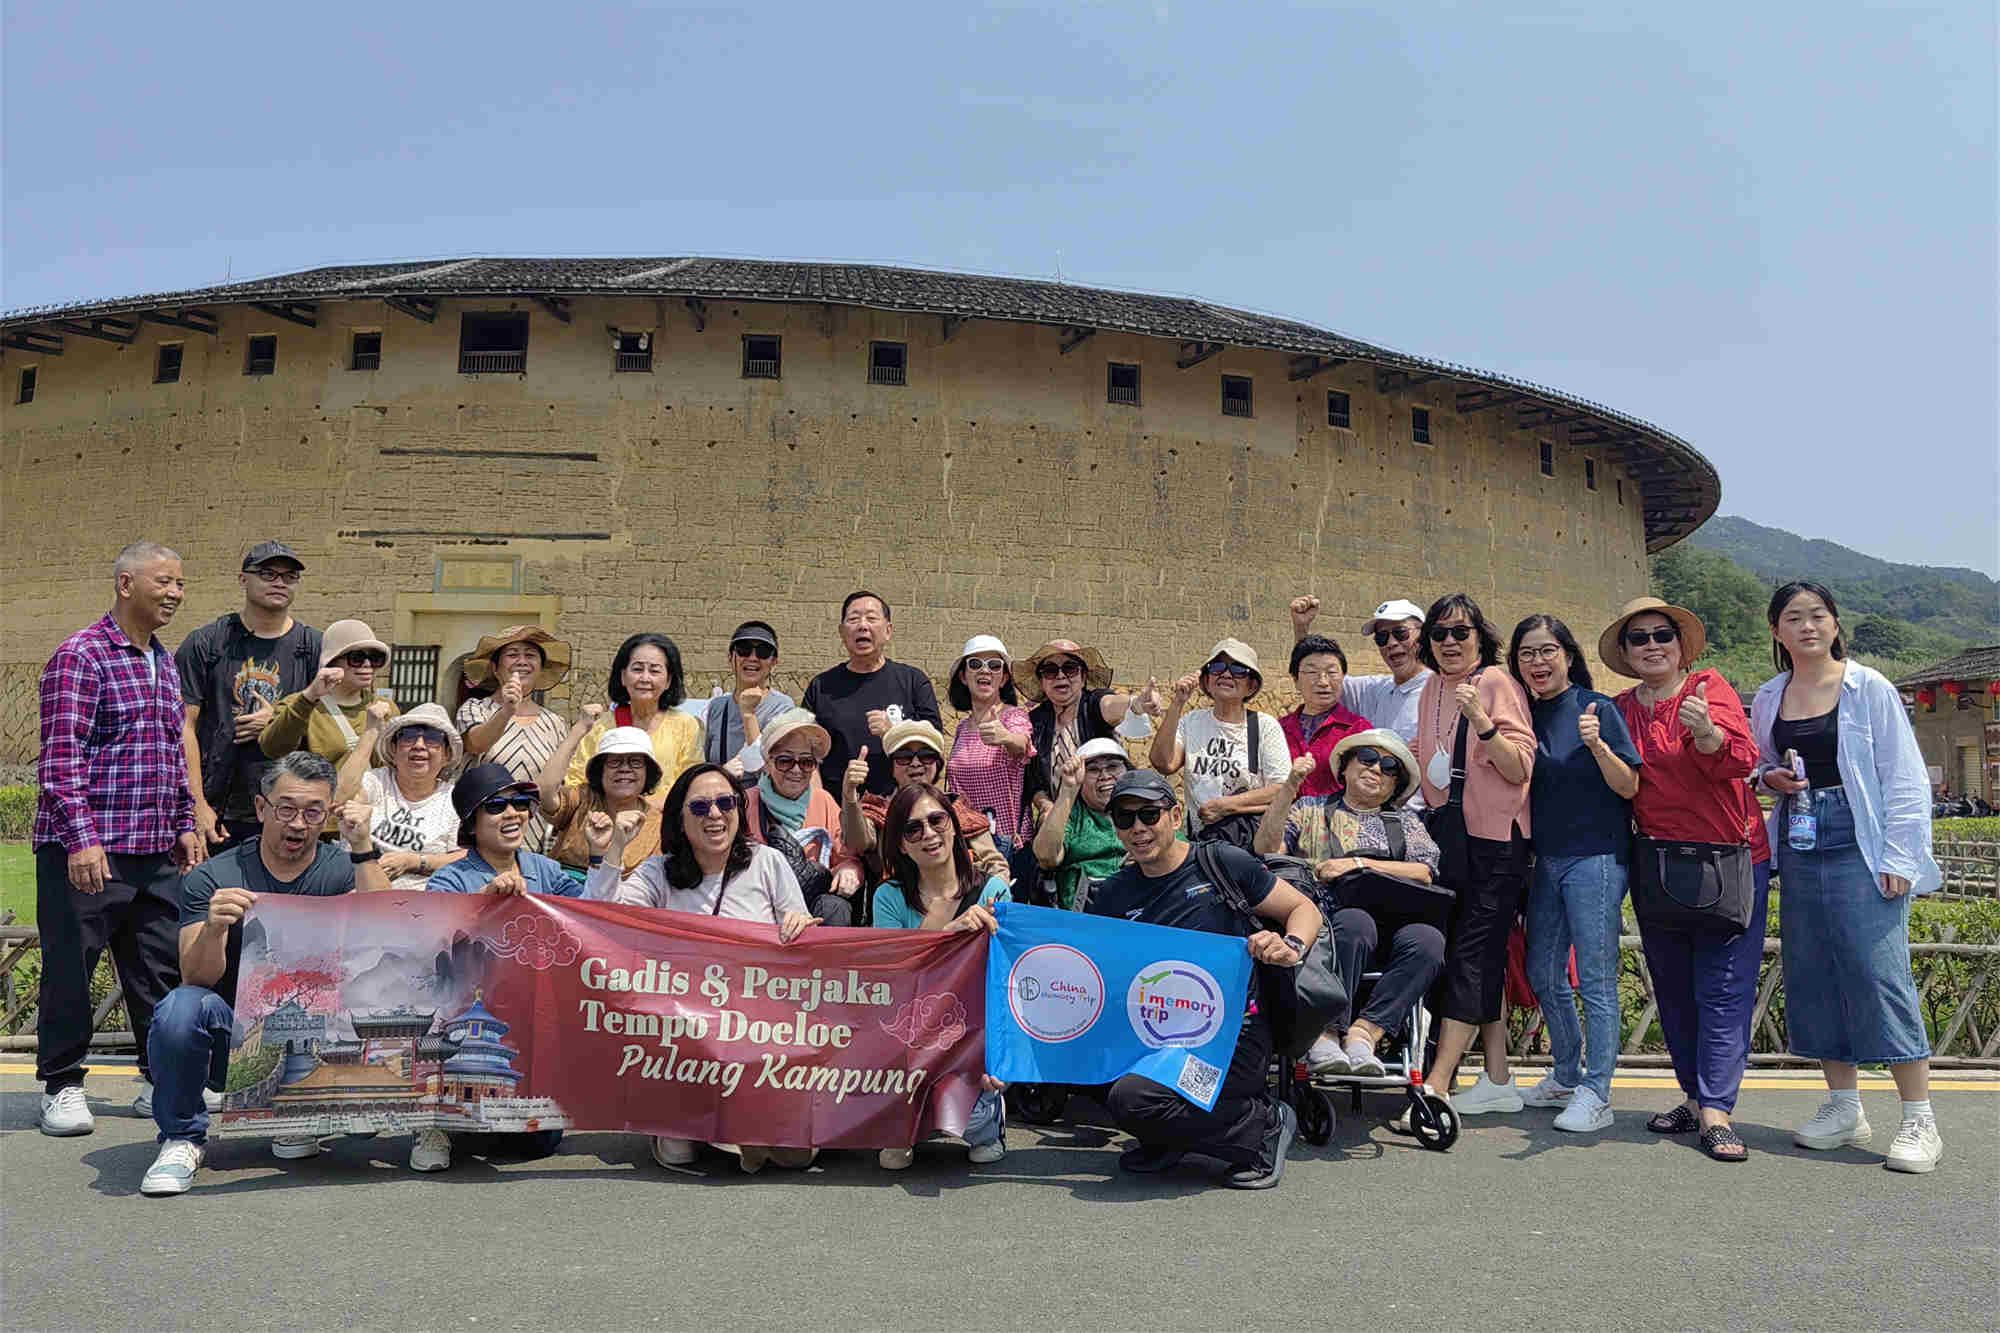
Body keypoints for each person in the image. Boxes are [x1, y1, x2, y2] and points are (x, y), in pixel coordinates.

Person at [1751, 582, 1945, 1173]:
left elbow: (1905, 778)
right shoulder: (1768, 694)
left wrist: (1900, 858)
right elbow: (1763, 764)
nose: (1807, 626)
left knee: (1876, 970)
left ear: (1835, 625)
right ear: (1777, 632)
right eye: (1793, 618)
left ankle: (1919, 1119)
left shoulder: (1870, 688)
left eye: (1817, 616)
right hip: (1802, 836)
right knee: (1814, 967)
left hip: (1860, 837)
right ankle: (1843, 1106)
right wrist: (1769, 780)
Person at [138, 752, 389, 1195]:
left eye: (313, 812)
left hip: (323, 1032)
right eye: (286, 809)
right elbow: (195, 978)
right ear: (260, 808)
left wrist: (362, 846)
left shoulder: (340, 867)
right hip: (238, 1037)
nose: (297, 824)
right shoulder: (215, 876)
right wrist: (215, 926)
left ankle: (306, 1113)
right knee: (179, 1010)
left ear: (328, 812)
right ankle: (181, 1137)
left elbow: (390, 928)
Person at [35, 541, 205, 1137]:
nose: (176, 594)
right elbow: (61, 758)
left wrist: (185, 822)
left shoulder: (164, 661)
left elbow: (170, 753)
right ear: (126, 584)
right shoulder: (81, 656)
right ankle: (62, 1084)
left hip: (153, 848)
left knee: (157, 971)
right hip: (87, 851)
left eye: (182, 584)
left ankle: (157, 1077)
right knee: (70, 970)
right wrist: (81, 841)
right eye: (165, 581)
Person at [1086, 770, 1322, 1189]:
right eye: (1125, 819)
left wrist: (1289, 946)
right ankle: (1169, 1136)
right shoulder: (1113, 895)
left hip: (1233, 1036)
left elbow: (1304, 911)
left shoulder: (1221, 863)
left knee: (1135, 1100)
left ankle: (1261, 1127)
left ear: (1176, 815)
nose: (1138, 828)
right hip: (1154, 1033)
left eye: (1149, 814)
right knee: (1103, 1079)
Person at [586, 763, 819, 1174]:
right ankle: (721, 1128)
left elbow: (800, 933)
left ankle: (741, 1126)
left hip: (756, 1022)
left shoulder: (767, 862)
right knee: (679, 1152)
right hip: (685, 1027)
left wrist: (798, 927)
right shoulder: (659, 871)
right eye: (700, 807)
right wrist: (613, 850)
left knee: (800, 1153)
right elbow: (603, 919)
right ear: (680, 818)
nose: (715, 814)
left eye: (725, 803)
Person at [1602, 596, 1769, 1163]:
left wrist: (1707, 735)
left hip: (1729, 857)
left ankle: (1717, 1113)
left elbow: (1741, 761)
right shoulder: (1620, 708)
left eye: (1662, 635)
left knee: (1722, 986)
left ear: (1681, 645)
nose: (1653, 645)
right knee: (1672, 987)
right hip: (1659, 861)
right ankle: (1697, 1098)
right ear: (1625, 653)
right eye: (1640, 638)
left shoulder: (1708, 689)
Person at [1509, 614, 1642, 1133]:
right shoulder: (1522, 715)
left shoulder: (1597, 709)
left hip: (1596, 859)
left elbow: (1629, 786)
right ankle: (1566, 1073)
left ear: (1567, 655)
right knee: (1544, 972)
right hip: (1546, 860)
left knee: (1596, 978)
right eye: (1526, 654)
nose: (1537, 662)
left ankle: (1598, 1090)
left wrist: (1597, 745)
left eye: (1547, 651)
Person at [1410, 592, 1536, 1119]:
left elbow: (1520, 767)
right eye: (1439, 634)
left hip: (1496, 842)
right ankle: (1499, 1079)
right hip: (1450, 840)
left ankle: (1437, 1084)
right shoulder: (1430, 690)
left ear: (1480, 637)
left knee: (1470, 956)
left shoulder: (1495, 683)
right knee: (1473, 957)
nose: (1449, 642)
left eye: (1460, 632)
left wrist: (1483, 722)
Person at [1254, 731, 1444, 1078]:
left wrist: (1358, 864)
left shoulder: (1403, 822)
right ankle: (1325, 1033)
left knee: (1428, 940)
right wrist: (1290, 787)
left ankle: (1364, 1034)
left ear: (1394, 785)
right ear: (1345, 767)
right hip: (1325, 930)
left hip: (1390, 928)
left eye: (1389, 768)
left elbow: (1424, 871)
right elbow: (1266, 848)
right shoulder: (1309, 809)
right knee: (1356, 922)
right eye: (1367, 759)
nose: (1376, 769)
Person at [868, 781, 1011, 1169]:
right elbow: (896, 976)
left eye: (937, 820)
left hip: (969, 1029)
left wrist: (996, 1056)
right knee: (893, 1154)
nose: (928, 834)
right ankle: (906, 1118)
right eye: (913, 829)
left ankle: (987, 1114)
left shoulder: (993, 890)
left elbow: (1003, 982)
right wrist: (948, 931)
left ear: (954, 824)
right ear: (900, 844)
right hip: (910, 1031)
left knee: (977, 1136)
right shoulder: (890, 897)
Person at [179, 541, 323, 853]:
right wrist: (197, 804)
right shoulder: (208, 642)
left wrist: (277, 721)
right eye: (268, 574)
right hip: (219, 806)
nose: (279, 583)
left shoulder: (313, 647)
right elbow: (182, 727)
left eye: (289, 576)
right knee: (212, 900)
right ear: (244, 579)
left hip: (288, 810)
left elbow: (331, 723)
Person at [801, 591, 941, 799]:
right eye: (853, 619)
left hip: (902, 807)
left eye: (871, 618)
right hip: (839, 808)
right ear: (842, 631)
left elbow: (935, 744)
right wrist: (820, 802)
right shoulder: (821, 686)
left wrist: (894, 731)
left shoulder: (912, 680)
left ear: (888, 630)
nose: (862, 625)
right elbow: (805, 749)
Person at [1149, 638, 1290, 843]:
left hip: (1248, 841)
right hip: (1200, 840)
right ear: (1206, 680)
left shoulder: (1264, 726)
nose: (1226, 674)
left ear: (1251, 686)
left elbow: (1281, 790)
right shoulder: (1192, 722)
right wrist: (1177, 703)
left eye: (1239, 669)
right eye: (1217, 667)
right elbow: (1163, 763)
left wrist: (1225, 806)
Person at [841, 720, 1011, 889]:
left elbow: (994, 864)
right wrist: (849, 794)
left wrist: (992, 895)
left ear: (937, 765)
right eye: (904, 757)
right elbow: (857, 842)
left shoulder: (959, 810)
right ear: (891, 767)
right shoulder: (879, 811)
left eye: (926, 756)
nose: (915, 763)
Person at [455, 626, 573, 852]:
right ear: (495, 668)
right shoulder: (475, 709)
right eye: (512, 655)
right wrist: (507, 711)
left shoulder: (555, 722)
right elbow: (476, 743)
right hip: (482, 837)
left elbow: (562, 782)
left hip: (537, 839)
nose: (522, 661)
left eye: (530, 655)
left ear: (540, 669)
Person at [742, 709, 865, 926]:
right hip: (758, 905)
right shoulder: (745, 803)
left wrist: (848, 871)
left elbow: (846, 856)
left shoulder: (823, 801)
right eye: (785, 761)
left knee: (835, 908)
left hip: (811, 908)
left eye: (806, 762)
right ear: (767, 763)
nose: (796, 770)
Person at [332, 702, 467, 890]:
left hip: (419, 907)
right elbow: (338, 799)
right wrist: (371, 731)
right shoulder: (375, 782)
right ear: (394, 749)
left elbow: (466, 857)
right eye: (408, 737)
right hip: (355, 896)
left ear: (447, 754)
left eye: (433, 738)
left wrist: (414, 861)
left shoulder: (454, 799)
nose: (419, 745)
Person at [563, 631, 703, 794]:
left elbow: (692, 784)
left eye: (654, 671)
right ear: (623, 676)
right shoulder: (601, 727)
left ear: (668, 680)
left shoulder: (685, 726)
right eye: (637, 669)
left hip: (666, 817)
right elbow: (577, 782)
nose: (645, 678)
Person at [1013, 639, 1136, 823]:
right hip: (1062, 822)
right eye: (1050, 671)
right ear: (1041, 681)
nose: (1061, 676)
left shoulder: (1094, 704)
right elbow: (1034, 781)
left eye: (1070, 668)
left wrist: (1135, 704)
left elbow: (1112, 705)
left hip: (1110, 817)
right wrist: (1046, 806)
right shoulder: (1036, 721)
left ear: (1083, 676)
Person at [1292, 596, 1433, 745]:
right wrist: (1301, 629)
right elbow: (1318, 676)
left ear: (1423, 635)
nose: (1391, 643)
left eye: (1400, 633)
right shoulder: (1374, 691)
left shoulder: (1439, 691)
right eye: (1382, 637)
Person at [540, 721, 664, 887]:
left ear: (648, 772)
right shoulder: (583, 798)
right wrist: (577, 732)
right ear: (601, 770)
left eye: (635, 762)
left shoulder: (658, 825)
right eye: (615, 761)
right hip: (561, 900)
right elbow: (543, 792)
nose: (625, 769)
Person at [258, 619, 398, 766]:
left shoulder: (386, 707)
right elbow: (272, 749)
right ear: (333, 661)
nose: (368, 665)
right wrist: (309, 697)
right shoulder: (301, 705)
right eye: (357, 658)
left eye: (376, 658)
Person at [945, 635, 1034, 844]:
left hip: (1004, 841)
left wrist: (1005, 737)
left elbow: (1023, 744)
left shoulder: (1014, 716)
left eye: (994, 666)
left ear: (1003, 679)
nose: (985, 670)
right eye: (975, 664)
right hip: (967, 840)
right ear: (964, 677)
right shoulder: (962, 728)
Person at [1030, 738, 1133, 910]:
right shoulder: (1070, 814)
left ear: (1127, 771)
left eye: (1113, 767)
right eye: (1093, 770)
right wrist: (1068, 790)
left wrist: (1152, 860)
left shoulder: (1145, 808)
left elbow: (1178, 850)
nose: (1105, 776)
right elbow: (1046, 857)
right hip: (1084, 913)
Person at [1279, 634, 1370, 799]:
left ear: (1343, 677)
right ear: (1296, 681)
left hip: (1339, 821)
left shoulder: (1359, 729)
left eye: (1331, 672)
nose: (1323, 681)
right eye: (1312, 672)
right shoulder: (1277, 729)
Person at [704, 620, 795, 771]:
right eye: (743, 650)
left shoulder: (783, 707)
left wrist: (748, 714)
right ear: (730, 657)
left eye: (763, 652)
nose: (752, 658)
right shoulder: (718, 706)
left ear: (774, 662)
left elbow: (775, 770)